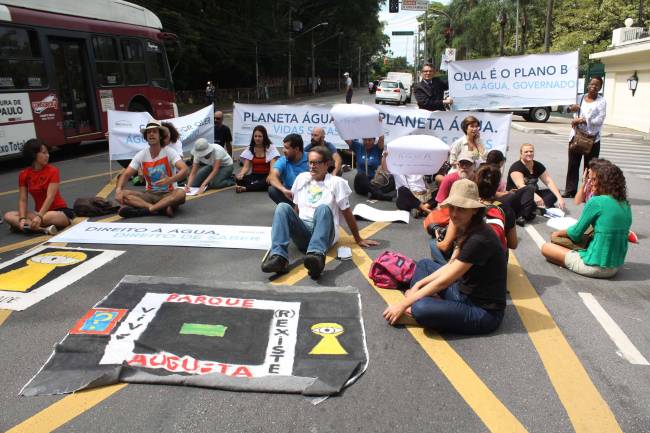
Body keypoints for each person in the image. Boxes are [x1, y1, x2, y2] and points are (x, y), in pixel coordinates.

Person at [383, 179, 507, 334]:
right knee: (424, 264)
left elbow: (445, 280)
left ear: (474, 209)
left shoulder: (479, 239)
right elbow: (450, 265)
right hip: (463, 292)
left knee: (421, 308)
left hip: (483, 311)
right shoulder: (468, 225)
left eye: (461, 209)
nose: (454, 214)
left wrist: (403, 304)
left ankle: (425, 309)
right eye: (452, 207)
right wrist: (416, 286)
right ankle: (433, 305)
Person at [261, 146, 379, 277]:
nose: (312, 166)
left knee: (322, 208)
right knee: (283, 207)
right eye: (310, 162)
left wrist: (358, 238)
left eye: (316, 162)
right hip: (304, 232)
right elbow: (296, 210)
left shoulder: (336, 183)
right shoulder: (301, 178)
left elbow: (347, 212)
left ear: (327, 164)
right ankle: (279, 258)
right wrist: (287, 228)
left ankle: (316, 257)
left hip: (325, 233)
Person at [541, 163, 631, 278]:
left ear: (604, 182)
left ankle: (569, 261)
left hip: (594, 266)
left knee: (547, 247)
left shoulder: (596, 201)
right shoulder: (625, 203)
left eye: (593, 179)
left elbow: (575, 234)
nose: (591, 183)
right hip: (615, 266)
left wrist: (557, 233)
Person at [115, 121, 188, 218]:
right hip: (149, 194)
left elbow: (185, 170)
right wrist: (118, 190)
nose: (151, 134)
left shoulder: (170, 152)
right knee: (123, 194)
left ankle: (145, 211)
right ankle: (160, 209)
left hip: (168, 194)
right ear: (146, 137)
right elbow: (126, 174)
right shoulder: (141, 154)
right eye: (149, 132)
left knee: (181, 193)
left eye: (154, 132)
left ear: (160, 136)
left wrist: (170, 180)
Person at [4, 139, 73, 235]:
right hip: (38, 213)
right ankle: (41, 229)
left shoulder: (53, 171)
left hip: (58, 213)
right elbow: (23, 200)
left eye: (47, 152)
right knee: (8, 215)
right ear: (33, 155)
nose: (47, 155)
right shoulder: (24, 174)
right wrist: (23, 218)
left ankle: (26, 227)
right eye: (44, 153)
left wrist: (39, 216)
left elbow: (50, 197)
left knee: (48, 216)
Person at [563, 77, 607, 198]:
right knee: (573, 165)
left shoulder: (601, 101)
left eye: (597, 85)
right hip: (576, 137)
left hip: (592, 140)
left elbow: (600, 120)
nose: (594, 87)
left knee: (590, 167)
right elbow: (565, 109)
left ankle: (586, 192)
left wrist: (582, 120)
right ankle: (570, 191)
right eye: (592, 84)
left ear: (600, 88)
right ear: (588, 85)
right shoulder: (579, 97)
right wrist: (570, 108)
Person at [506, 143, 565, 211]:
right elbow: (521, 186)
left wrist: (560, 198)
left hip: (534, 193)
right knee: (527, 204)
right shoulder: (516, 167)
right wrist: (535, 196)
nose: (529, 153)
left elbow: (548, 181)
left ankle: (538, 207)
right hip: (518, 195)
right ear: (521, 153)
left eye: (531, 151)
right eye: (526, 152)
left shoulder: (537, 165)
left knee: (554, 192)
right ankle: (539, 207)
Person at [486, 149, 536, 226]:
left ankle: (525, 213)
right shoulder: (491, 172)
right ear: (501, 162)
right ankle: (523, 216)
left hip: (497, 201)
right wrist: (507, 194)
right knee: (529, 188)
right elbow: (489, 194)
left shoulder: (491, 170)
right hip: (493, 203)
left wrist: (506, 193)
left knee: (528, 199)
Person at [345, 135, 393, 200]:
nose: (367, 142)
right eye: (365, 140)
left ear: (374, 140)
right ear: (362, 140)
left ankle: (374, 192)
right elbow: (345, 136)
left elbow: (381, 137)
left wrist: (378, 125)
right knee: (361, 175)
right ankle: (377, 194)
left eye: (370, 140)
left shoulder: (378, 148)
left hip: (376, 182)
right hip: (362, 185)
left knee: (393, 178)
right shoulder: (358, 147)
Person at [235, 125, 280, 193]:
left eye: (260, 136)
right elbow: (246, 167)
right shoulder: (250, 148)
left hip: (266, 175)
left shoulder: (271, 148)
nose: (257, 138)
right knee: (239, 180)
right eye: (255, 136)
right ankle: (255, 185)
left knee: (270, 181)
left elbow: (272, 168)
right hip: (254, 175)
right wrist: (241, 174)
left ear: (264, 137)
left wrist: (271, 175)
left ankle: (246, 188)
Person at [267, 133, 309, 205]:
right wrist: (284, 190)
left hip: (309, 194)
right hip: (290, 195)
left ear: (296, 149)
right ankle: (292, 209)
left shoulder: (311, 158)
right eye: (283, 147)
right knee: (272, 190)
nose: (283, 150)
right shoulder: (283, 160)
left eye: (286, 148)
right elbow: (272, 176)